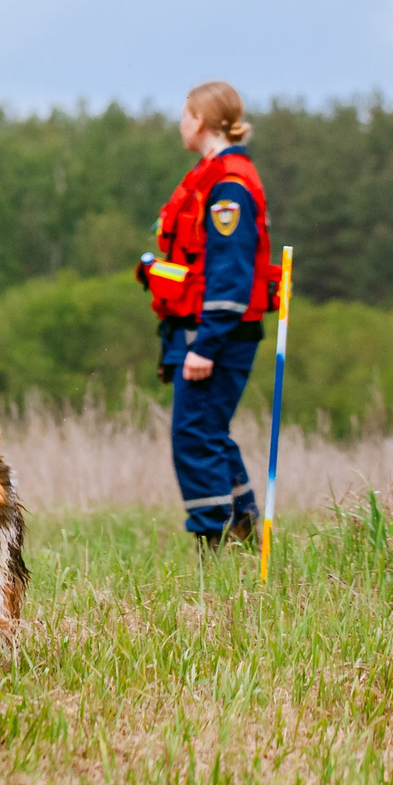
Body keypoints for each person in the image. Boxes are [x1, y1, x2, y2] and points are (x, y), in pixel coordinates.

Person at [137, 80, 282, 548]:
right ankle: (241, 531)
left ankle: (215, 541)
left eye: (184, 114)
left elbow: (231, 274)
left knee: (194, 438)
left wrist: (206, 344)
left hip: (215, 337)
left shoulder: (228, 189)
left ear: (199, 121)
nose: (180, 123)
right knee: (209, 433)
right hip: (197, 332)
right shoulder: (210, 175)